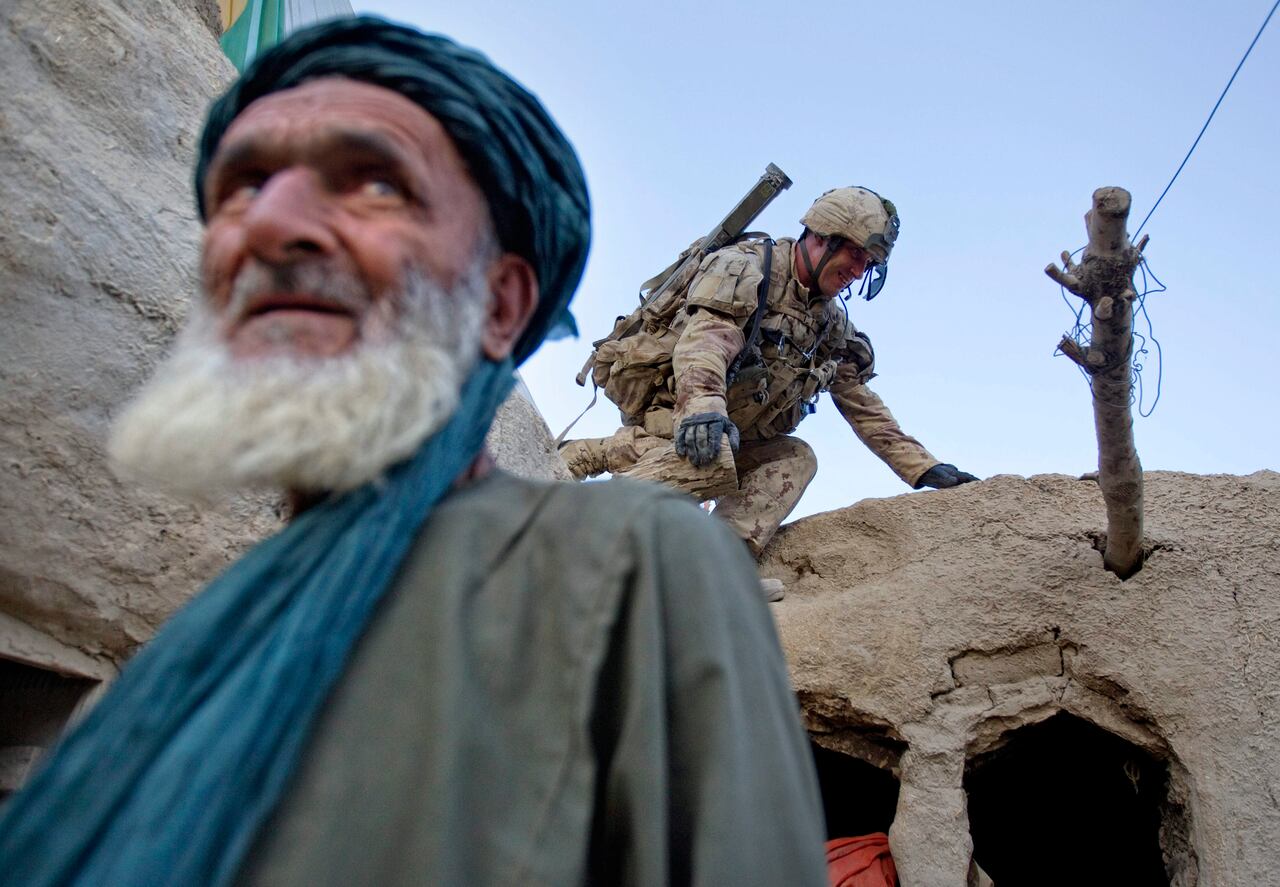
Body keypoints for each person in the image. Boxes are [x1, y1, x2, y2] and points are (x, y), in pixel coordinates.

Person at [0, 18, 827, 887]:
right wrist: (699, 404)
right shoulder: (160, 683)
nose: (270, 223)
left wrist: (921, 472)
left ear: (503, 304)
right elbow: (706, 341)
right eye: (240, 187)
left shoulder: (630, 567)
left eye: (375, 185)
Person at [561, 187, 977, 597]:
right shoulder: (746, 270)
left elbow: (861, 403)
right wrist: (703, 412)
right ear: (821, 238)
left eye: (868, 264)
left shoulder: (830, 325)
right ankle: (593, 456)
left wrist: (921, 467)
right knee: (699, 466)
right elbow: (705, 344)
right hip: (684, 419)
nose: (858, 270)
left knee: (796, 457)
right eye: (855, 255)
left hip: (736, 438)